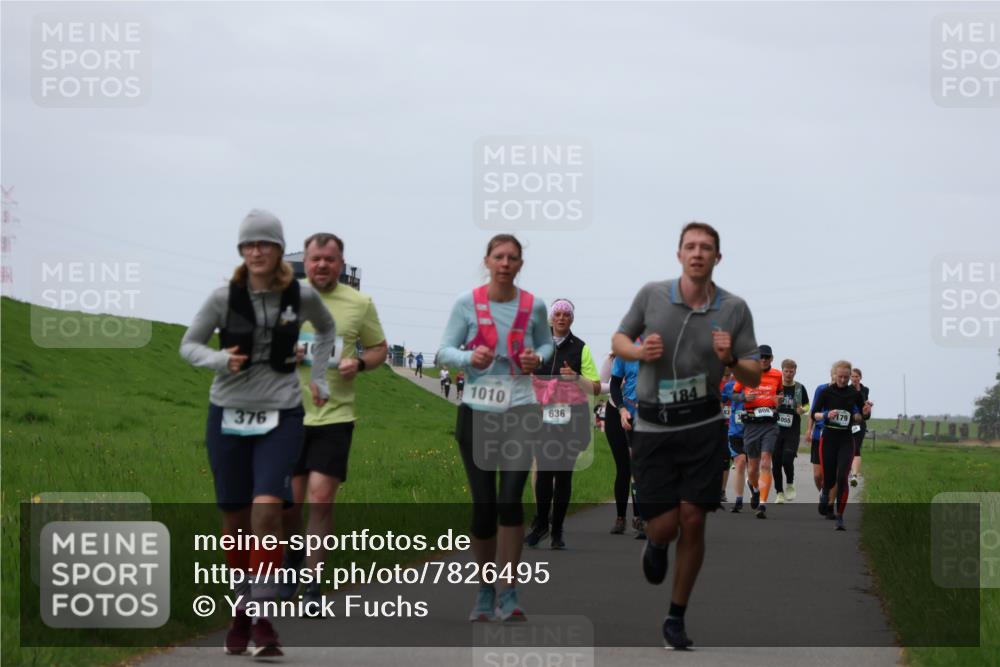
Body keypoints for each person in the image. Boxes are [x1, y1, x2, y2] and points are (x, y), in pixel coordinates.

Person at [179, 210, 337, 657]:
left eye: (265, 244)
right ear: (241, 251)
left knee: (266, 511)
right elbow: (188, 345)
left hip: (281, 414)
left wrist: (318, 378)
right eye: (248, 245)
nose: (256, 251)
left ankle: (263, 619)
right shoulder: (222, 299)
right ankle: (241, 613)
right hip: (227, 414)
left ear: (278, 249)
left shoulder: (300, 295)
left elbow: (327, 328)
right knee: (234, 522)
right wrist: (218, 360)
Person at [612, 221, 759, 650]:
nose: (697, 253)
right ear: (679, 254)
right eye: (690, 246)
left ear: (717, 257)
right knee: (664, 526)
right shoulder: (652, 295)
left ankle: (676, 615)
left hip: (702, 425)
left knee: (694, 519)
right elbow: (619, 339)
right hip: (654, 425)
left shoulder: (735, 309)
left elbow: (752, 374)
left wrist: (729, 359)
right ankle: (657, 544)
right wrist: (638, 351)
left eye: (706, 247)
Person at [437, 233, 552, 622]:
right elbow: (444, 351)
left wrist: (538, 358)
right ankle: (485, 591)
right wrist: (469, 358)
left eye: (512, 258)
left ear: (520, 264)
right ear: (486, 261)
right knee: (485, 507)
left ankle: (510, 591)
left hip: (520, 410)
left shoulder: (534, 305)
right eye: (498, 256)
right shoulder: (466, 303)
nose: (505, 263)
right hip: (478, 412)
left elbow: (547, 345)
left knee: (510, 499)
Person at [281, 232, 387, 609]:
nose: (322, 264)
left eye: (330, 259)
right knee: (289, 505)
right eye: (316, 259)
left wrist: (359, 363)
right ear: (306, 263)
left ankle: (313, 587)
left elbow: (379, 348)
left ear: (341, 264)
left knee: (321, 499)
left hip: (335, 415)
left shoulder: (359, 303)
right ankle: (293, 557)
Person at [524, 299, 601, 550]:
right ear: (551, 318)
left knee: (563, 474)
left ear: (571, 319)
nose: (561, 318)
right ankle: (541, 525)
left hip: (571, 419)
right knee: (544, 472)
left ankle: (557, 529)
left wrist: (575, 377)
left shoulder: (581, 348)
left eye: (566, 315)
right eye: (557, 314)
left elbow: (595, 387)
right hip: (542, 417)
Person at [813, 360, 871, 530]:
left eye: (846, 377)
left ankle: (840, 516)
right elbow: (814, 414)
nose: (843, 380)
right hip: (828, 439)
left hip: (846, 439)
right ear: (834, 375)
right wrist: (826, 415)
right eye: (840, 377)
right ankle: (825, 492)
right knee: (829, 478)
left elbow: (859, 417)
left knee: (842, 477)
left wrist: (865, 413)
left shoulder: (854, 393)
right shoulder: (826, 392)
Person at [731, 344, 783, 519]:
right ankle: (754, 487)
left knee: (766, 463)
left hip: (770, 424)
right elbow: (733, 395)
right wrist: (744, 397)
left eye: (767, 357)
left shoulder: (777, 375)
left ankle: (762, 504)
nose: (763, 360)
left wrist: (779, 401)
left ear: (771, 359)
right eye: (760, 357)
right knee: (753, 469)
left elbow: (780, 394)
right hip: (752, 425)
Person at [605, 349, 640, 535]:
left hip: (641, 413)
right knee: (623, 467)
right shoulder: (615, 358)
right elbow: (603, 385)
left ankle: (640, 517)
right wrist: (621, 407)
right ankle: (620, 517)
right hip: (616, 412)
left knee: (639, 467)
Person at [774, 359, 809, 503]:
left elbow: (807, 405)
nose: (788, 374)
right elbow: (768, 402)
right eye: (786, 371)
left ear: (795, 371)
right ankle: (779, 493)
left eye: (791, 371)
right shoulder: (776, 386)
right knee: (776, 462)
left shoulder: (799, 388)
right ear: (782, 371)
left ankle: (790, 482)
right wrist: (775, 404)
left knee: (787, 459)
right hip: (775, 429)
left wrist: (803, 410)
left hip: (792, 429)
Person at [720, 368, 747, 512]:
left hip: (751, 430)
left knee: (751, 467)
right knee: (735, 461)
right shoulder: (726, 385)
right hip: (731, 429)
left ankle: (754, 489)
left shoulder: (755, 385)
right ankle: (733, 497)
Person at [849, 368, 873, 486]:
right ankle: (850, 469)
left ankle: (855, 474)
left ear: (860, 377)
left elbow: (864, 403)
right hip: (850, 422)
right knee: (849, 446)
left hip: (860, 423)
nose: (855, 379)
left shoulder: (865, 389)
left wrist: (868, 406)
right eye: (853, 376)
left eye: (857, 376)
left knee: (856, 446)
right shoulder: (847, 389)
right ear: (850, 377)